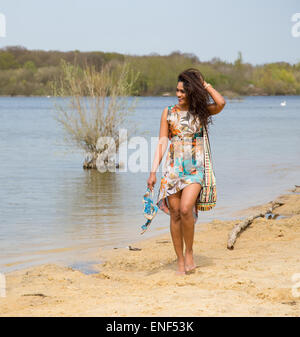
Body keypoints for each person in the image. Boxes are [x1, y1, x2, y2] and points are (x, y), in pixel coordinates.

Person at [147, 68, 226, 275]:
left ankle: (189, 252)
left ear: (191, 92)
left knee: (185, 209)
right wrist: (153, 171)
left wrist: (205, 84)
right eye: (177, 91)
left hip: (195, 169)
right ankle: (180, 261)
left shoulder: (201, 111)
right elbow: (162, 142)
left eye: (183, 91)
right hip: (173, 170)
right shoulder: (168, 112)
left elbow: (221, 103)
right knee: (174, 214)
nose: (179, 95)